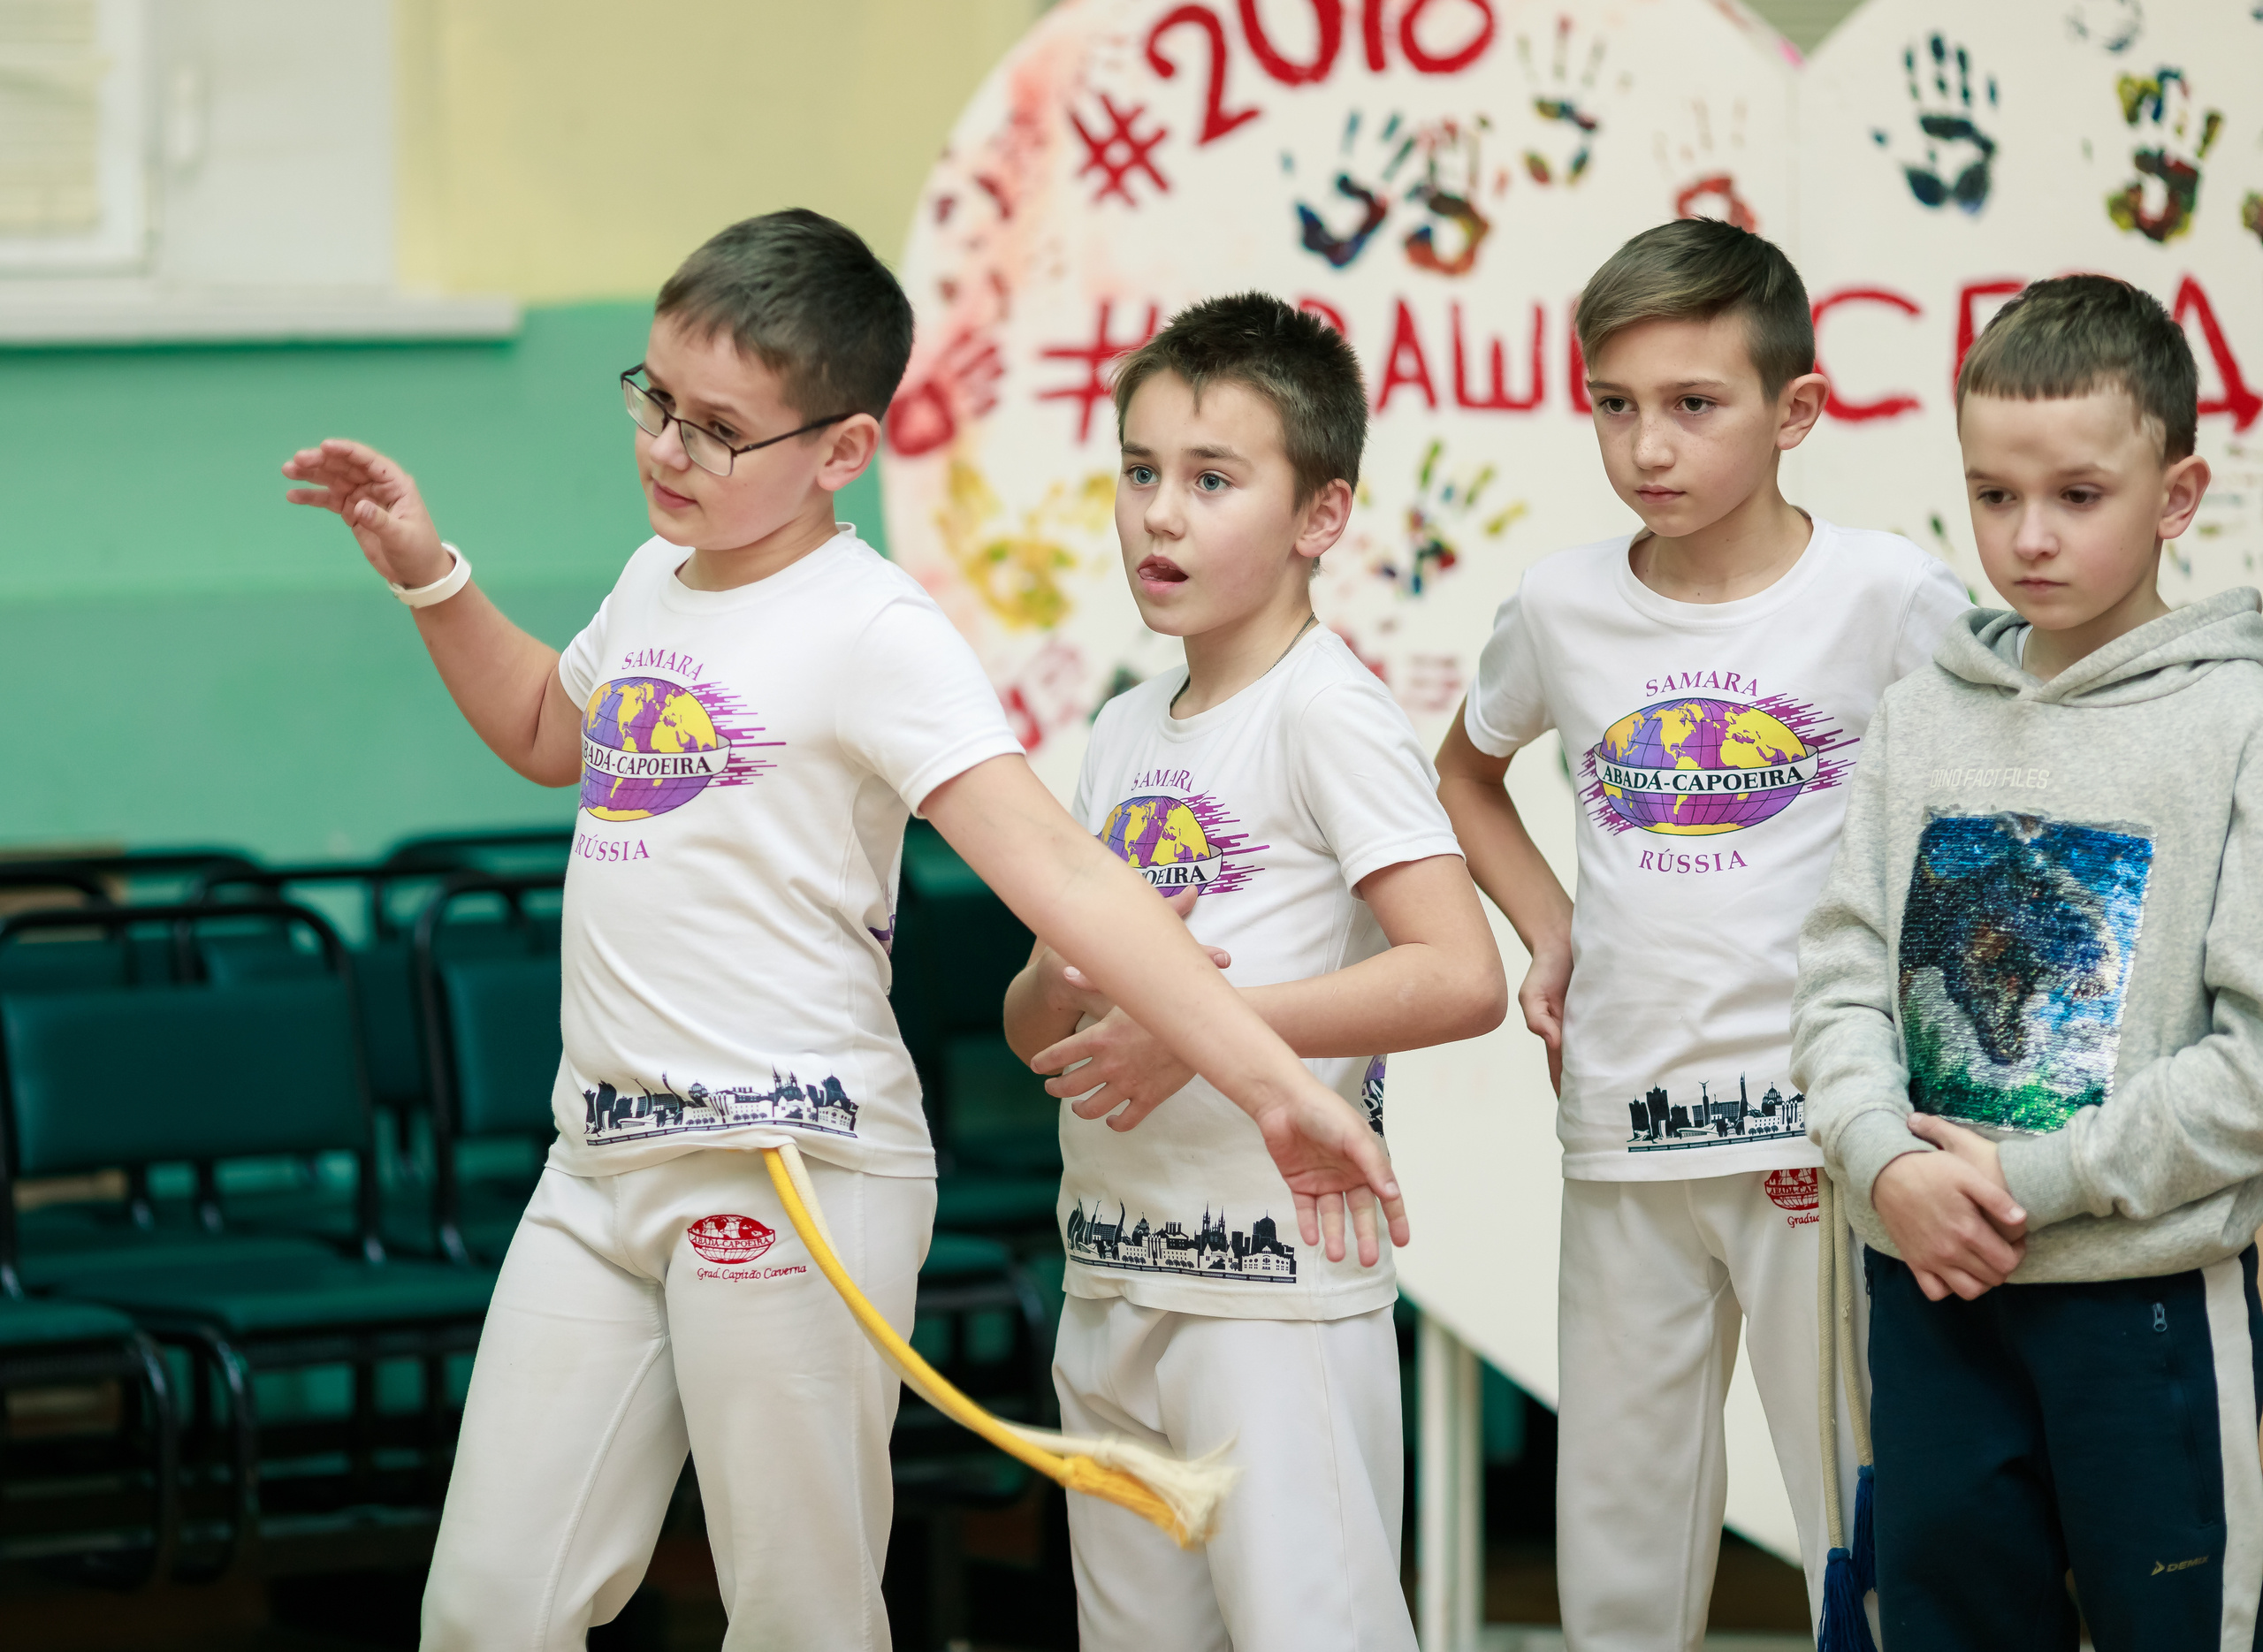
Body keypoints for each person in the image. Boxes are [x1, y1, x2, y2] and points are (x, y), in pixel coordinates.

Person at [282, 211, 1407, 1652]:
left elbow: (1063, 873)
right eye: (656, 401)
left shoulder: (877, 630)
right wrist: (431, 576)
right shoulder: (649, 584)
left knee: (797, 1618)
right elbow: (547, 731)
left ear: (840, 450)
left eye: (720, 429)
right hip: (600, 1160)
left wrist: (1272, 1080)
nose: (669, 450)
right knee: (489, 1606)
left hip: (792, 1166)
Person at [1434, 217, 1970, 1648]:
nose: (1646, 447)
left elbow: (2003, 788)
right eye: (1614, 406)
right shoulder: (1558, 605)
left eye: (1691, 405)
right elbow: (1464, 772)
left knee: (1860, 1516)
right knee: (1616, 1534)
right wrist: (1546, 930)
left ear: (1796, 409)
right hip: (1619, 1127)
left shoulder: (1887, 593)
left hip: (1823, 1135)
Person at [1002, 292, 1505, 1651]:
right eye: (1142, 471)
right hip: (1111, 1278)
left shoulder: (1327, 708)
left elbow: (1461, 975)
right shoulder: (1118, 730)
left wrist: (1195, 1023)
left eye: (1212, 479)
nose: (1160, 514)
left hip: (1269, 1297)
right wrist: (1058, 976)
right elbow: (1036, 1021)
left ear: (1319, 517)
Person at [1794, 273, 2263, 1649]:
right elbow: (1836, 982)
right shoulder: (1921, 712)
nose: (2029, 536)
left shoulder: (2237, 716)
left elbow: (2253, 1062)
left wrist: (2028, 1181)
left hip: (2147, 1312)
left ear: (2175, 496)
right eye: (1994, 495)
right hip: (1926, 1291)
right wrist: (1883, 1158)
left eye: (2076, 494)